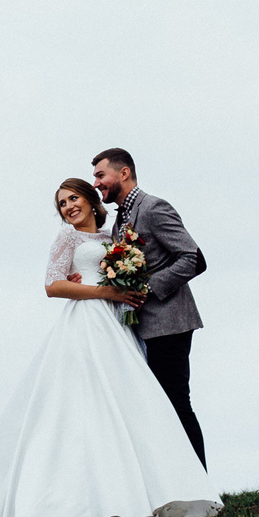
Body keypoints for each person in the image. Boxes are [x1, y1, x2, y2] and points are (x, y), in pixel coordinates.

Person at [0, 178, 223, 517]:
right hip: (88, 322)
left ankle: (144, 498)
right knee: (86, 407)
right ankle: (76, 510)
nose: (68, 207)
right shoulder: (67, 239)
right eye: (61, 204)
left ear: (93, 201)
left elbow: (135, 272)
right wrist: (103, 291)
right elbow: (52, 285)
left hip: (119, 325)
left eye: (74, 198)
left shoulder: (118, 236)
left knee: (130, 408)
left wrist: (124, 286)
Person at [90, 148, 207, 467]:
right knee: (157, 412)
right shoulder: (119, 222)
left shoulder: (153, 207)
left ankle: (202, 496)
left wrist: (148, 287)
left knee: (176, 405)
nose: (97, 183)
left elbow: (194, 259)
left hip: (170, 325)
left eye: (101, 175)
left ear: (123, 173)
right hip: (141, 330)